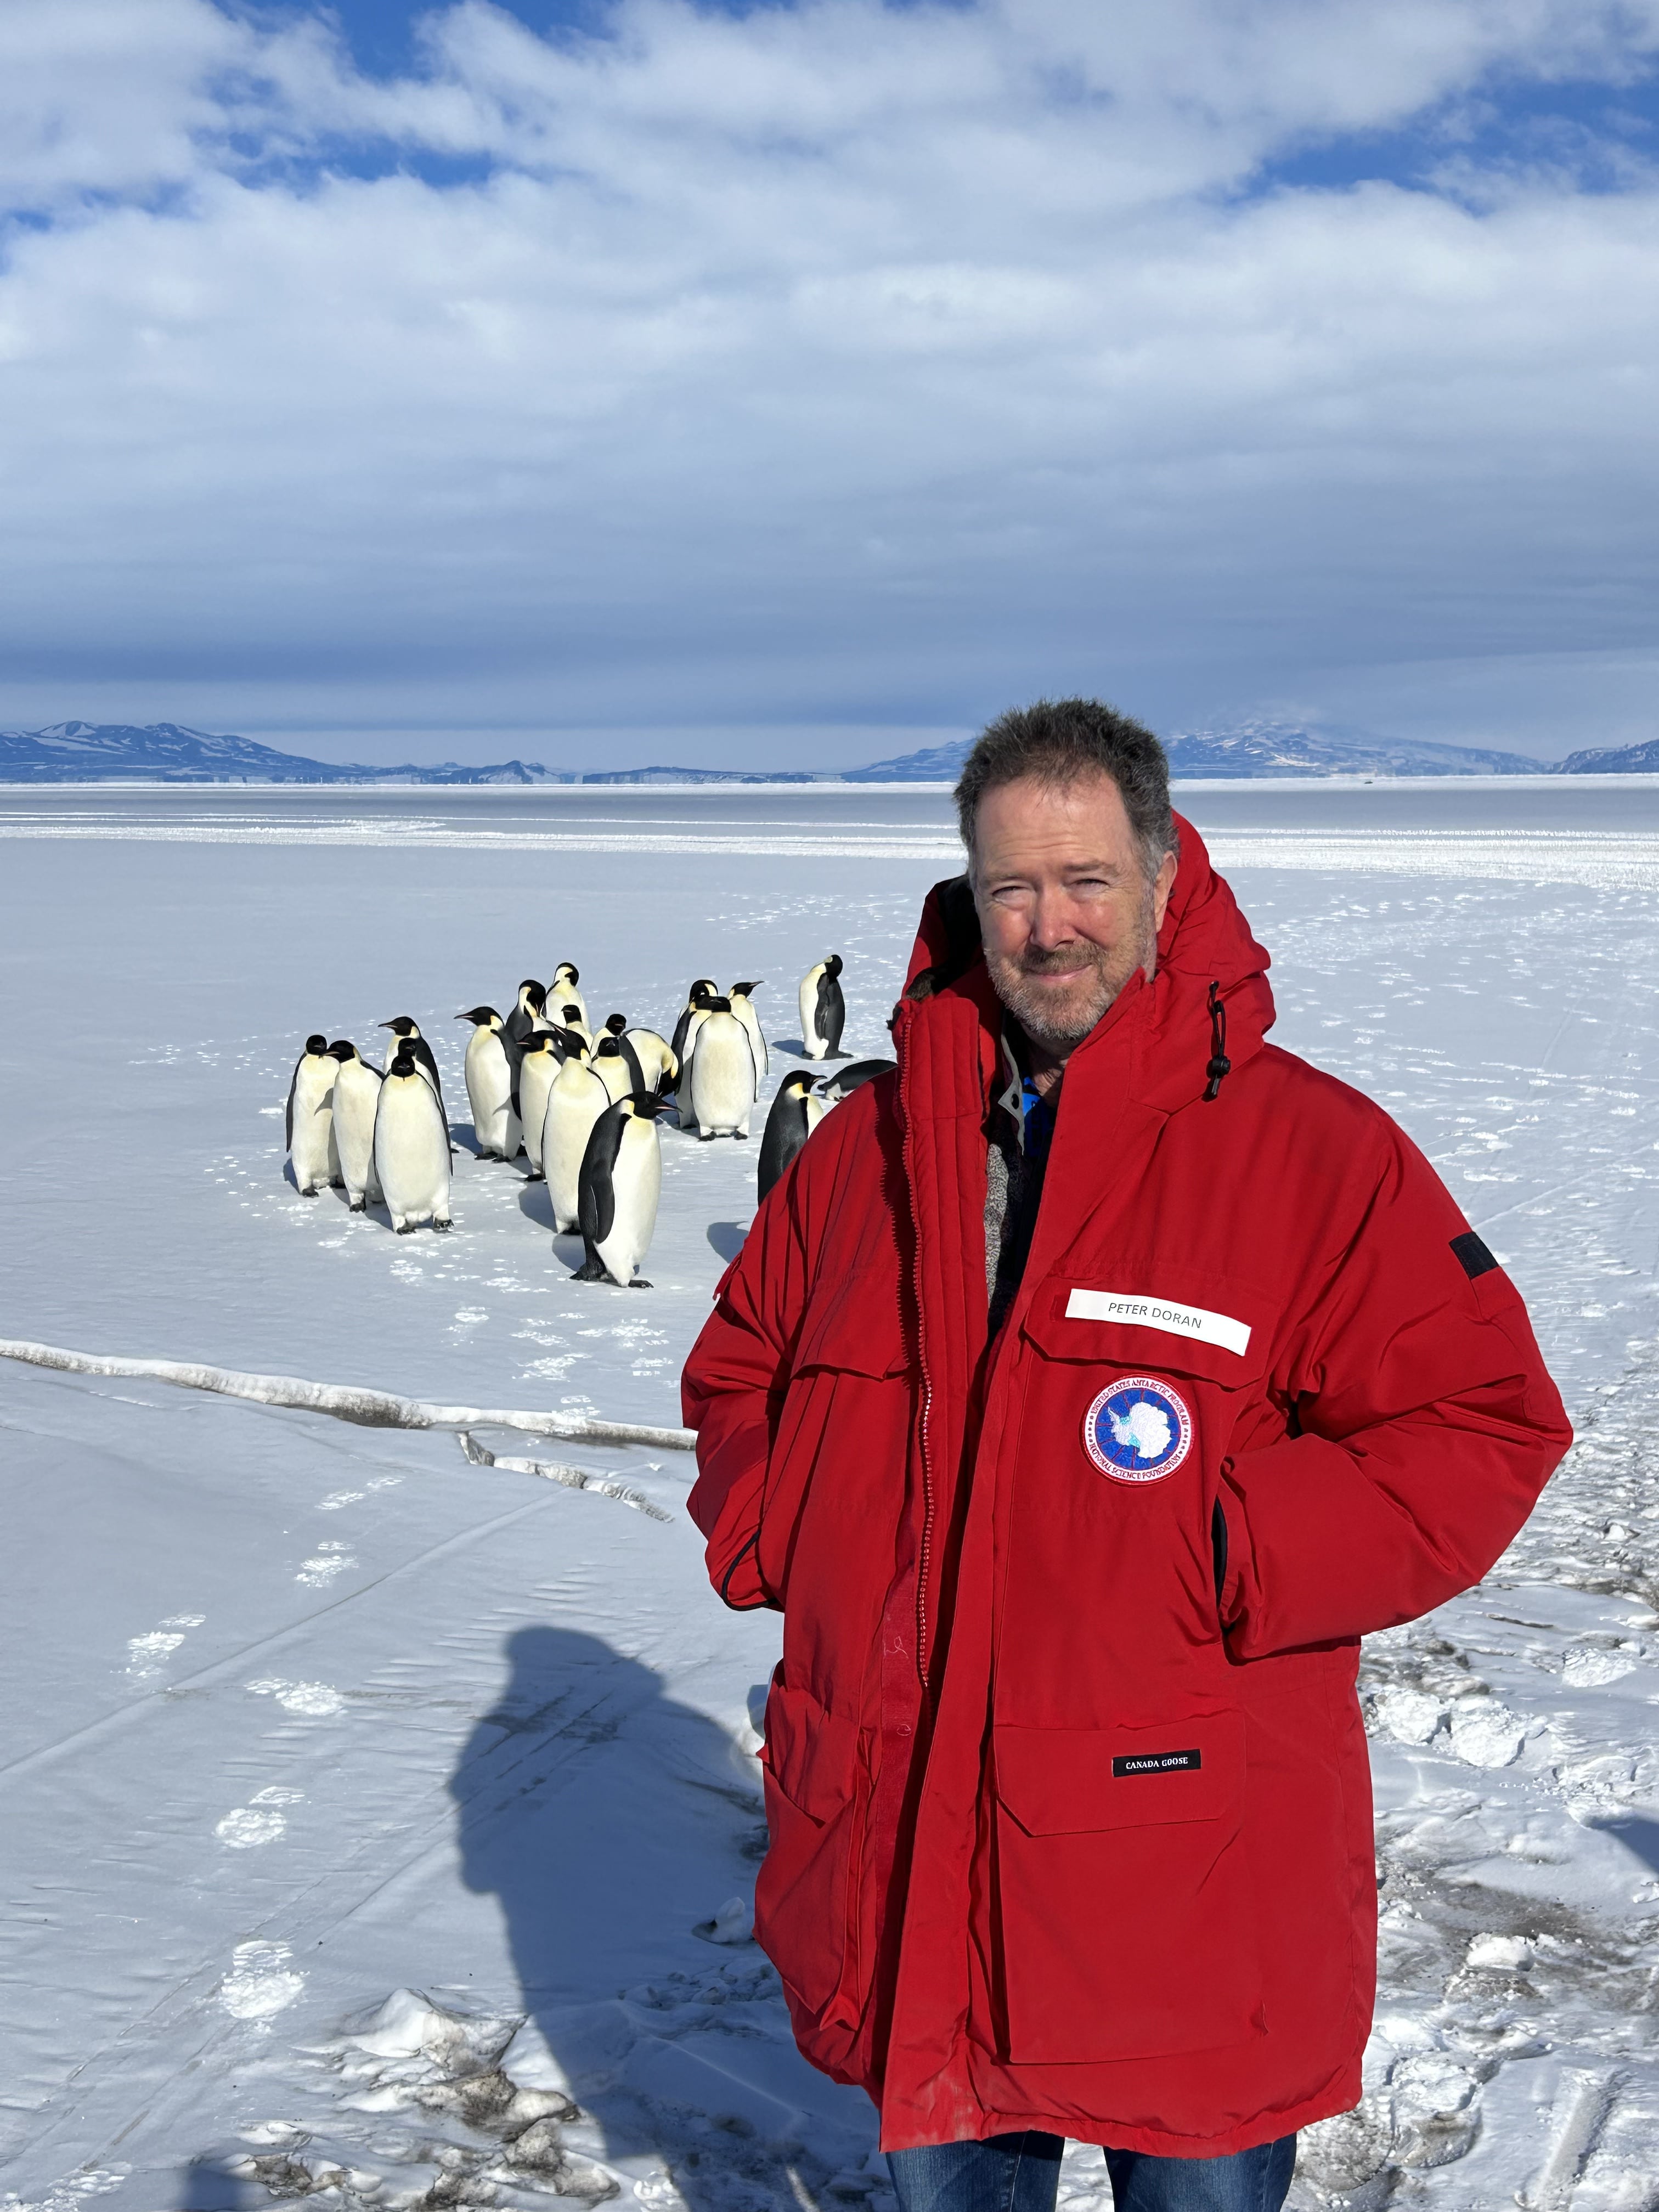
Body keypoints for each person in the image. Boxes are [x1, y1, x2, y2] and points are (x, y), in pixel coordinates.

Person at [681, 699, 1570, 2212]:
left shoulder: (1307, 1153)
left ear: (1164, 878)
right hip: (918, 1846)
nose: (1049, 926)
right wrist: (791, 1544)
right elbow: (744, 1371)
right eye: (1012, 887)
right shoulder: (863, 1157)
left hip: (1186, 1867)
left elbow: (1480, 1420)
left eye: (1086, 880)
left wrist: (1231, 1547)